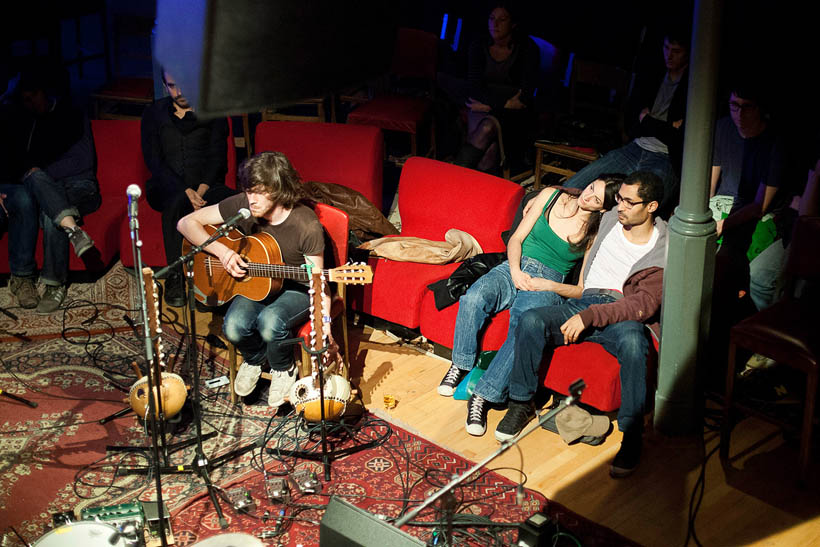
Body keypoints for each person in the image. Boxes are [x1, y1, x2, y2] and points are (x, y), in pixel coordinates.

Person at [494, 171, 666, 478]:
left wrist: (589, 317)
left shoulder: (663, 247)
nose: (619, 206)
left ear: (651, 206)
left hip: (621, 311)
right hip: (585, 300)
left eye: (628, 201)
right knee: (533, 320)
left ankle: (632, 435)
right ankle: (521, 402)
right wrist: (540, 198)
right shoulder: (612, 217)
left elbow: (644, 304)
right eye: (619, 198)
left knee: (634, 341)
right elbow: (581, 194)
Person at [438, 175, 623, 436]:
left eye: (597, 198)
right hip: (515, 265)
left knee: (522, 328)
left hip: (547, 282)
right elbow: (516, 239)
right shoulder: (550, 196)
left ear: (603, 208)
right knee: (475, 297)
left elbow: (581, 289)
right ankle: (461, 364)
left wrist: (549, 286)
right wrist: (514, 270)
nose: (589, 196)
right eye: (591, 188)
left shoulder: (592, 233)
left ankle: (482, 396)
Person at [177, 151, 330, 408]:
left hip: (297, 289)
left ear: (279, 188)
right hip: (259, 285)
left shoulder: (306, 226)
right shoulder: (245, 206)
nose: (252, 199)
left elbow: (318, 282)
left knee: (270, 322)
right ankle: (256, 358)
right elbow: (186, 223)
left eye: (259, 192)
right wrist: (223, 252)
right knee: (233, 326)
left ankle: (283, 367)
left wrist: (325, 323)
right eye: (249, 191)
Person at [0, 66, 100, 314]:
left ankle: (55, 285)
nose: (30, 104)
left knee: (39, 186)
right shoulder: (28, 122)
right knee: (44, 200)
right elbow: (17, 165)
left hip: (80, 186)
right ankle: (73, 231)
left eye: (32, 97)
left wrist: (40, 174)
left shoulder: (72, 113)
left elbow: (83, 161)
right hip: (49, 190)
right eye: (24, 101)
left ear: (44, 92)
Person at [564, 27, 689, 218]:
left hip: (665, 157)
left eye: (676, 51)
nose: (669, 55)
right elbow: (632, 121)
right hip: (635, 147)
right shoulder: (653, 76)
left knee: (639, 210)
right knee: (570, 188)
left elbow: (679, 137)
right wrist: (663, 127)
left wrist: (648, 121)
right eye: (666, 48)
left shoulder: (691, 84)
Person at [141, 67, 237, 307]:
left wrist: (201, 191)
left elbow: (217, 157)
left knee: (232, 201)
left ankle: (224, 276)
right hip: (167, 186)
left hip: (207, 186)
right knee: (176, 202)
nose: (180, 91)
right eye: (173, 86)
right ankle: (175, 276)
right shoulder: (154, 113)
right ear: (165, 86)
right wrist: (185, 191)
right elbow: (154, 160)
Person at [452, 2, 539, 174]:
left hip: (514, 114)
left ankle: (452, 179)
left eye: (502, 19)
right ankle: (465, 190)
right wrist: (503, 102)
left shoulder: (528, 49)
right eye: (492, 19)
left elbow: (525, 96)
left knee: (486, 129)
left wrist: (492, 105)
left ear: (513, 24)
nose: (495, 24)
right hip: (483, 105)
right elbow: (474, 88)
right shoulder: (478, 44)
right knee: (487, 154)